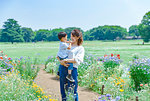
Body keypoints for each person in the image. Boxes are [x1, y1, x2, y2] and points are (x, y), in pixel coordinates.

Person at [58, 29, 85, 101]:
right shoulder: (66, 45)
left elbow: (77, 60)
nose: (71, 38)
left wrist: (66, 60)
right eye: (71, 36)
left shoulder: (80, 48)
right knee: (63, 90)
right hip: (63, 68)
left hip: (72, 70)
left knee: (73, 91)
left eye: (73, 36)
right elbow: (60, 54)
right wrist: (61, 62)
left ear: (78, 37)